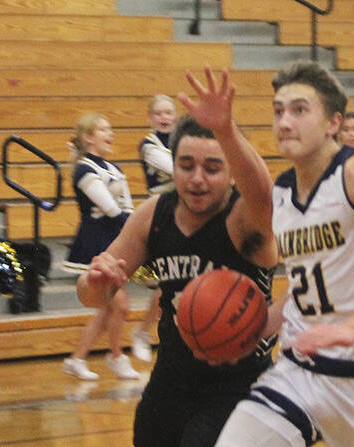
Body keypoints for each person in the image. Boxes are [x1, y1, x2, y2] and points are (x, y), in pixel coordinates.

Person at [214, 60, 354, 447]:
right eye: (279, 111)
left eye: (299, 110)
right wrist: (253, 328)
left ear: (333, 123)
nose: (284, 122)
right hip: (298, 371)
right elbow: (307, 285)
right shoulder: (282, 191)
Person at [76, 67, 279, 447]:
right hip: (172, 374)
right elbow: (90, 295)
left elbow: (265, 196)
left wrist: (227, 131)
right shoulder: (154, 214)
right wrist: (97, 282)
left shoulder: (245, 218)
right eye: (186, 166)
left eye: (213, 168)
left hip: (238, 382)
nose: (197, 178)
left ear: (232, 172)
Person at [60, 113, 140, 382]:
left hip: (114, 241)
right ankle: (116, 356)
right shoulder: (84, 169)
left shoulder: (114, 168)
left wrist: (138, 226)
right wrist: (144, 224)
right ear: (88, 137)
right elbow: (111, 209)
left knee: (109, 308)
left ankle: (77, 359)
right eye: (104, 130)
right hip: (94, 243)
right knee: (119, 305)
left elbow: (127, 209)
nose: (111, 134)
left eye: (110, 129)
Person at [130, 94, 176, 363]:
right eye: (158, 113)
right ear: (150, 117)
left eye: (169, 112)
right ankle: (143, 332)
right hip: (161, 211)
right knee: (167, 280)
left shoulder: (181, 139)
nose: (164, 117)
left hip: (186, 210)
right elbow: (174, 168)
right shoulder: (148, 144)